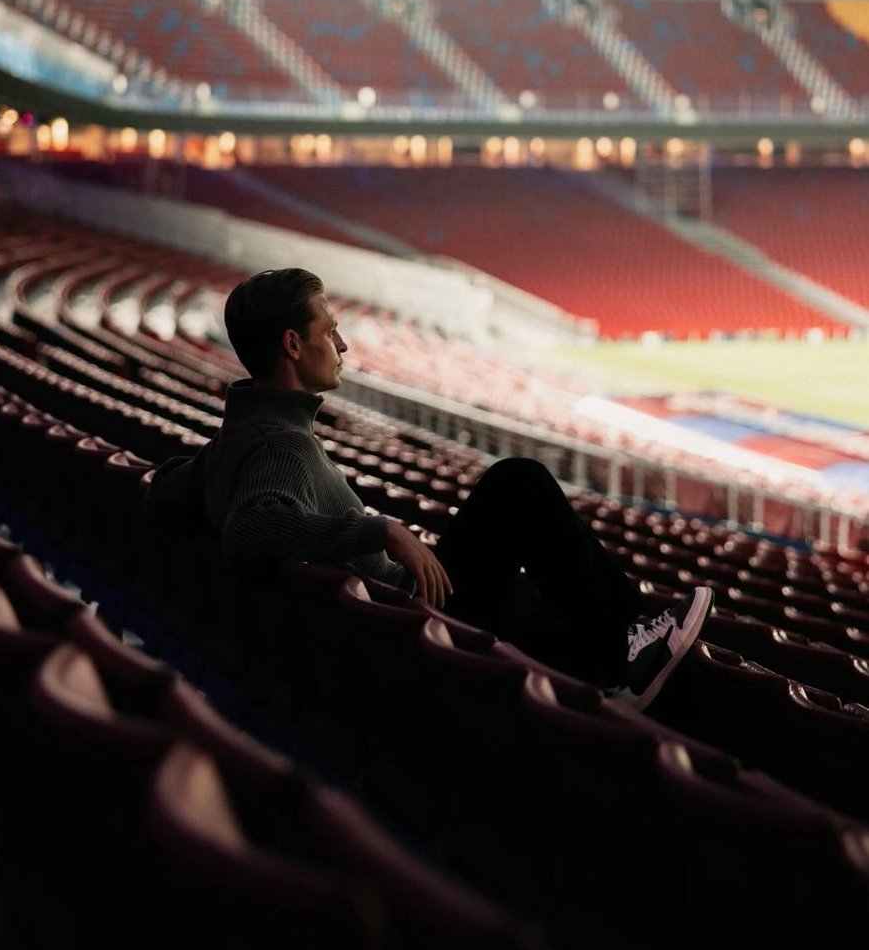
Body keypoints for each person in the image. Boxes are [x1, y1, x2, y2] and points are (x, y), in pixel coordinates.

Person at [144, 268, 713, 711]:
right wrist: (379, 530)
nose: (342, 346)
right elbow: (249, 530)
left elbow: (162, 492)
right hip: (413, 616)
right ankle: (628, 651)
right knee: (519, 482)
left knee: (538, 595)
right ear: (293, 345)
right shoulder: (279, 444)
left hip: (394, 613)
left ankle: (624, 648)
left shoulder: (238, 438)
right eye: (330, 330)